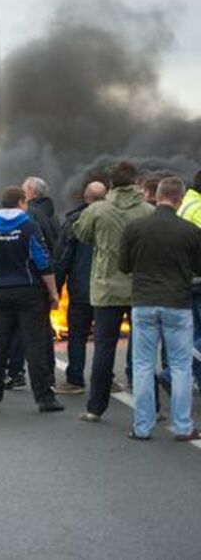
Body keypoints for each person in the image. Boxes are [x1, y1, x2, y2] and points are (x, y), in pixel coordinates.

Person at [119, 177, 201, 440]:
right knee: (181, 367)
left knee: (142, 365)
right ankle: (183, 426)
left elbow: (124, 265)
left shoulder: (135, 228)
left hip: (144, 303)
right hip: (177, 303)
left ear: (156, 196)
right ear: (179, 199)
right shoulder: (190, 231)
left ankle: (142, 427)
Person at [74, 161, 154, 423]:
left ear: (111, 183)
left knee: (104, 349)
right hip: (140, 289)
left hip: (106, 290)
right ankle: (152, 406)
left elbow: (81, 233)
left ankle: (95, 408)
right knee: (144, 352)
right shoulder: (148, 211)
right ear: (136, 182)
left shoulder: (97, 210)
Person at [0, 186, 64, 413]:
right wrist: (53, 293)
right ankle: (44, 398)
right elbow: (42, 261)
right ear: (21, 202)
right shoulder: (28, 225)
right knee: (35, 345)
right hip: (28, 292)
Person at [5, 176, 63, 390]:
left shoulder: (29, 215)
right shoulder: (53, 216)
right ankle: (48, 377)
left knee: (20, 328)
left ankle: (17, 373)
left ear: (30, 192)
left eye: (24, 190)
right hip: (47, 279)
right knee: (43, 329)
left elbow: (32, 250)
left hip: (29, 280)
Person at [54, 180, 107, 394]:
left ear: (85, 198)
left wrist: (55, 291)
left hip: (80, 290)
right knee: (105, 339)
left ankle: (75, 380)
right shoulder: (114, 220)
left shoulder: (74, 221)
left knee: (77, 337)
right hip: (107, 291)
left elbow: (62, 259)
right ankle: (106, 380)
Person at [176, 169, 201, 389]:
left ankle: (196, 378)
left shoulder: (186, 204)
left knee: (194, 333)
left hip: (186, 279)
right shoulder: (198, 208)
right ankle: (171, 374)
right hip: (198, 279)